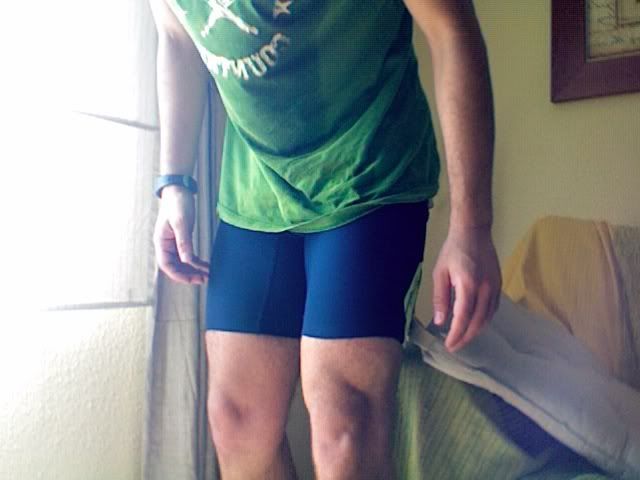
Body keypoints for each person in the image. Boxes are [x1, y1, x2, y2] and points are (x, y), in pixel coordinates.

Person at [149, 0, 501, 478]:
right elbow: (176, 37)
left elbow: (451, 27)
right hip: (256, 189)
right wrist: (175, 182)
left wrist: (472, 226)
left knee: (345, 428)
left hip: (367, 173)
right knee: (236, 421)